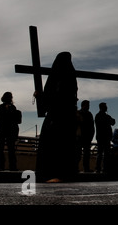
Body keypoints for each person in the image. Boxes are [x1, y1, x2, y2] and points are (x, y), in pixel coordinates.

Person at [35, 52, 79, 183]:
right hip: (68, 119)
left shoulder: (57, 78)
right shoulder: (71, 77)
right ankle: (65, 174)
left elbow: (54, 99)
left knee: (53, 146)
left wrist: (40, 96)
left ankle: (51, 174)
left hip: (56, 118)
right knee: (66, 147)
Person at [0, 92, 22, 171]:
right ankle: (12, 166)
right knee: (10, 149)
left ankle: (1, 166)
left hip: (3, 131)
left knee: (1, 149)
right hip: (9, 131)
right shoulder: (12, 108)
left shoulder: (1, 107)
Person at [94, 102, 115, 174]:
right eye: (105, 106)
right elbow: (113, 122)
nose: (106, 108)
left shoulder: (98, 116)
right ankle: (103, 168)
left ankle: (99, 168)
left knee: (101, 153)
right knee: (104, 153)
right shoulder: (103, 116)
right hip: (104, 137)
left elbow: (112, 122)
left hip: (101, 137)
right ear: (102, 107)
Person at [77, 100, 95, 172]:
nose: (88, 107)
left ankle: (86, 168)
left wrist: (91, 135)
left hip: (87, 137)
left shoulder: (89, 114)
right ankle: (77, 168)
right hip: (80, 136)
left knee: (86, 154)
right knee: (78, 153)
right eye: (87, 105)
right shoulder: (78, 113)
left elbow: (92, 126)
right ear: (83, 105)